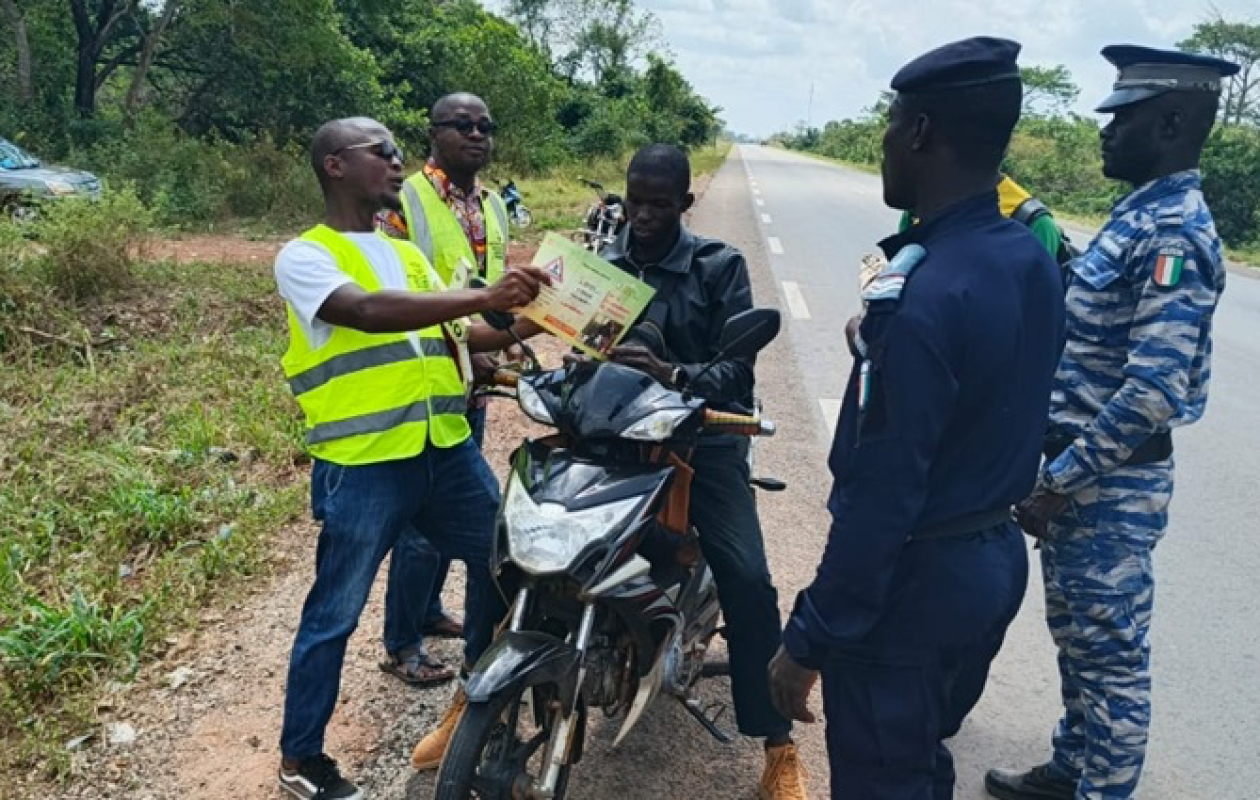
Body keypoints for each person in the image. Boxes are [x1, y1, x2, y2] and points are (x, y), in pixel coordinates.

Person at [767, 37, 1066, 799]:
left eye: (893, 123)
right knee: (921, 755)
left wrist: (807, 640)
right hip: (990, 564)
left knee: (882, 778)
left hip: (912, 587)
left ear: (923, 132)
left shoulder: (923, 295)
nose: (885, 141)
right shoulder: (1027, 256)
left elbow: (884, 495)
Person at [986, 45, 1237, 800]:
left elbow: (1153, 391)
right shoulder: (1139, 216)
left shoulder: (1173, 234)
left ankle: (1103, 789)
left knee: (1113, 660)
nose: (1104, 131)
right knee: (1079, 642)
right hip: (1087, 478)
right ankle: (1072, 768)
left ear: (1170, 123)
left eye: (1121, 118)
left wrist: (1058, 482)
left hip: (1107, 486)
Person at [272, 116, 546, 800]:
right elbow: (365, 310)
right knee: (334, 614)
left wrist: (543, 313)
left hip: (444, 452)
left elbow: (463, 333)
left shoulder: (407, 254)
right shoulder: (305, 256)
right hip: (366, 462)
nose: (397, 163)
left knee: (508, 561)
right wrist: (485, 293)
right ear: (335, 165)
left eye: (398, 152)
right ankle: (301, 758)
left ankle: (477, 703)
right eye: (382, 152)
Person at [601, 143, 810, 800]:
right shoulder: (604, 263)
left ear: (685, 204)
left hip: (705, 441)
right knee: (532, 541)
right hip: (619, 437)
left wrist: (673, 374)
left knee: (747, 579)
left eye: (658, 204)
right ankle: (473, 696)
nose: (642, 215)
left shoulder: (720, 267)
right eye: (634, 201)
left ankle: (778, 744)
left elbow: (737, 371)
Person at [377, 93, 512, 686]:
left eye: (484, 126)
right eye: (462, 125)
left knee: (451, 517)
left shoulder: (493, 204)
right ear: (433, 133)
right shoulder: (405, 199)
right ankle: (401, 643)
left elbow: (489, 288)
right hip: (425, 386)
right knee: (420, 526)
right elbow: (392, 295)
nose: (476, 135)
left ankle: (430, 611)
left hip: (471, 386)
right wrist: (463, 346)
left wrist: (505, 342)